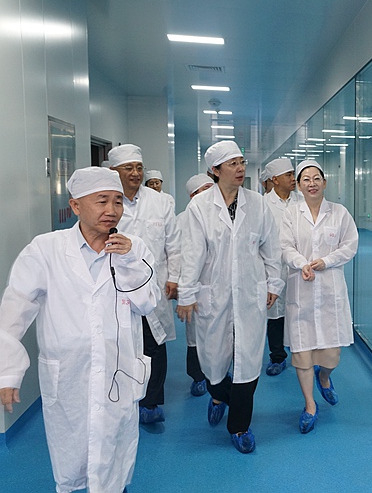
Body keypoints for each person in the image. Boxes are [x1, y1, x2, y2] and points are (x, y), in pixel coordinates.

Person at [0, 167, 158, 492]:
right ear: (75, 206)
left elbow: (147, 303)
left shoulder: (135, 248)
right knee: (71, 455)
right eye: (102, 201)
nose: (112, 210)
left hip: (117, 372)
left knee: (114, 458)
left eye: (117, 201)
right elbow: (14, 309)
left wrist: (129, 261)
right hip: (68, 373)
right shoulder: (45, 249)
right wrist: (8, 372)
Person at [177, 140, 284, 453]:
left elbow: (271, 247)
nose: (240, 168)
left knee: (248, 360)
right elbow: (193, 254)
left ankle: (239, 426)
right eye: (233, 164)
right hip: (214, 293)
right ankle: (218, 394)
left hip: (250, 292)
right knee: (212, 362)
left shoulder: (257, 204)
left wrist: (274, 283)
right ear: (215, 170)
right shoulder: (199, 207)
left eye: (241, 162)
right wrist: (187, 293)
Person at [280, 159, 358, 434]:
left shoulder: (339, 213)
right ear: (298, 185)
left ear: (325, 182)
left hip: (329, 289)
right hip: (301, 288)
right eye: (305, 179)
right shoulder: (291, 214)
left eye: (316, 179)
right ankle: (310, 405)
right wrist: (302, 263)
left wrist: (327, 261)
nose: (311, 184)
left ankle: (324, 377)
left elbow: (350, 245)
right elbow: (285, 246)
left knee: (331, 355)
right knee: (302, 352)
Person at [108, 144, 180, 426]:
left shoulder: (160, 202)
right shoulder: (107, 200)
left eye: (139, 167)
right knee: (122, 343)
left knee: (154, 342)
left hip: (154, 283)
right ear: (114, 171)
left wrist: (174, 277)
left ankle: (151, 402)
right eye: (128, 168)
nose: (136, 173)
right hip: (117, 286)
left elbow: (174, 244)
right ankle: (123, 399)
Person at [262, 157, 303, 376]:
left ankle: (301, 353)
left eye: (293, 174)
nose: (293, 178)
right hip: (274, 267)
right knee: (275, 314)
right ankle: (277, 357)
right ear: (275, 179)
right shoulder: (263, 204)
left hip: (298, 264)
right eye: (288, 175)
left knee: (299, 311)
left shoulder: (302, 201)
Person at [176, 174, 215, 396]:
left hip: (220, 285)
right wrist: (183, 287)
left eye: (212, 188)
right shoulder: (182, 220)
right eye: (204, 189)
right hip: (194, 285)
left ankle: (220, 374)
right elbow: (178, 254)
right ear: (193, 196)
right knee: (195, 336)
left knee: (222, 333)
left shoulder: (224, 216)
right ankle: (198, 376)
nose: (210, 193)